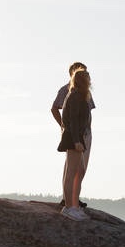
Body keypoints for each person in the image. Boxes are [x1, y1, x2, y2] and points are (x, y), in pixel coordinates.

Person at [50, 62, 95, 208]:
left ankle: (75, 199)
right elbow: (58, 110)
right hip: (75, 135)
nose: (89, 77)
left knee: (81, 169)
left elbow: (86, 114)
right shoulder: (70, 92)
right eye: (85, 74)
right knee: (71, 168)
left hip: (84, 133)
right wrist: (64, 127)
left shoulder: (85, 92)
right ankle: (68, 202)